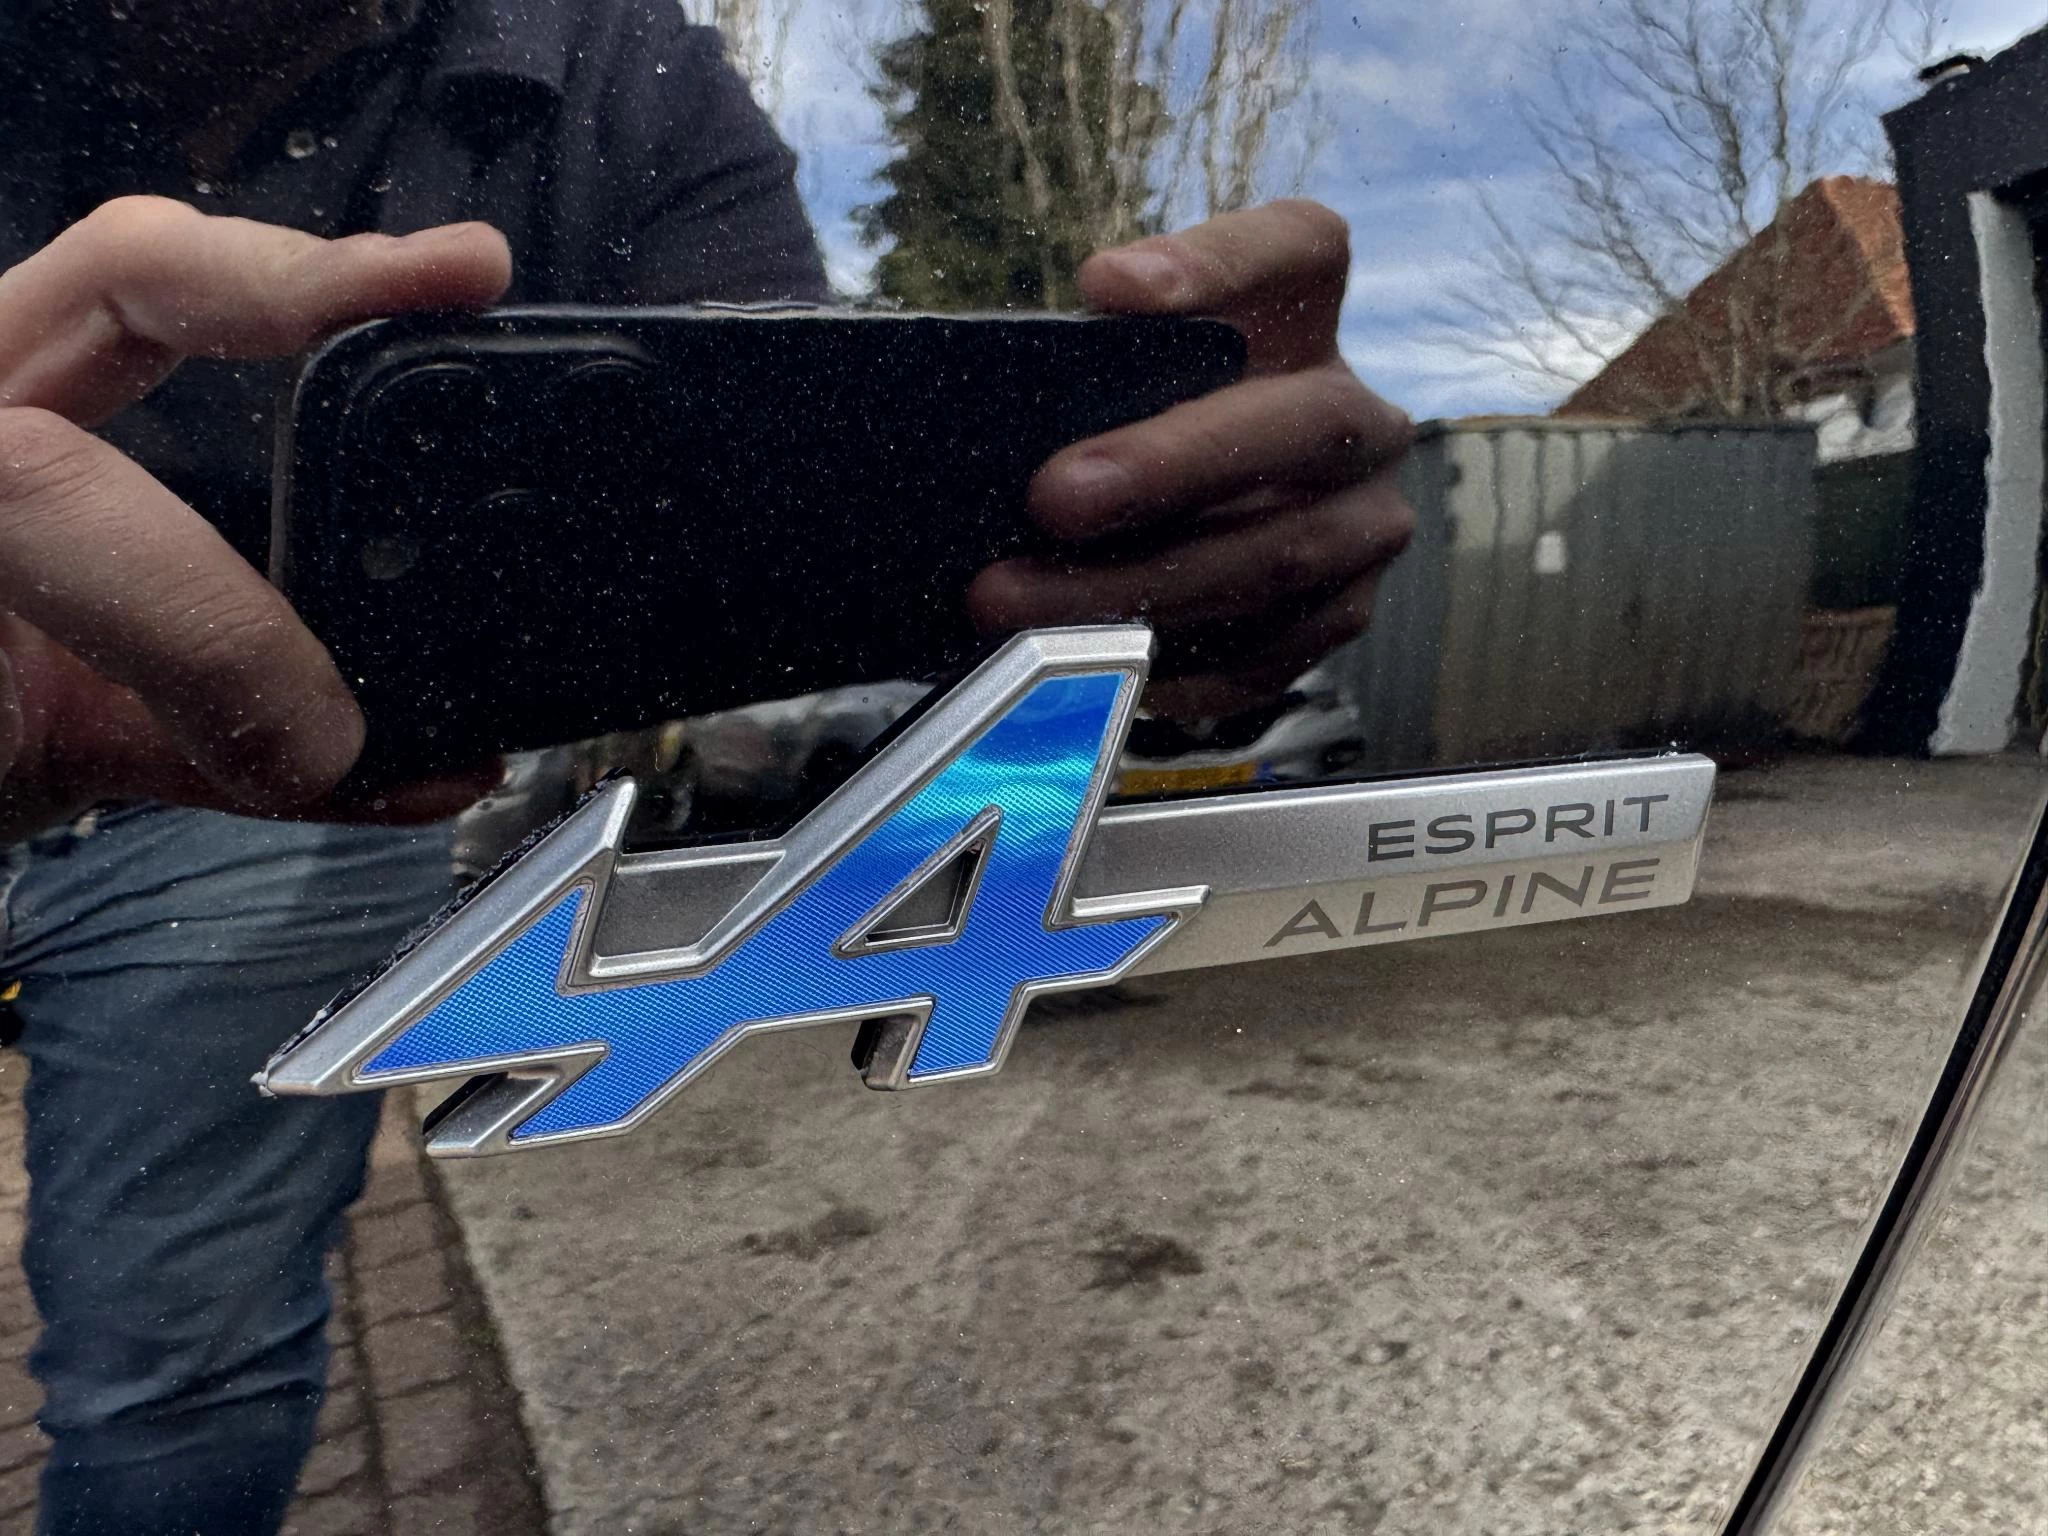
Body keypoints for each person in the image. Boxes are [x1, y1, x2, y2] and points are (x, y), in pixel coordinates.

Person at [0, 0, 1414, 1530]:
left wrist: (1160, 595)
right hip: (310, 768)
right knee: (177, 1369)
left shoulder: (617, 68)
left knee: (174, 1363)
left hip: (274, 781)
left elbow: (777, 517)